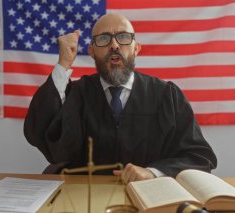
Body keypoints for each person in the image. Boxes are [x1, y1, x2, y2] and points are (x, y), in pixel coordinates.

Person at [24, 13, 217, 183]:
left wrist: (152, 173)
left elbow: (199, 156)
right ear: (91, 51)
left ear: (136, 48)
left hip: (150, 195)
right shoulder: (76, 93)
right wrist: (63, 65)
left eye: (123, 37)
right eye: (104, 39)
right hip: (84, 195)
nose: (114, 45)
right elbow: (41, 130)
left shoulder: (166, 95)